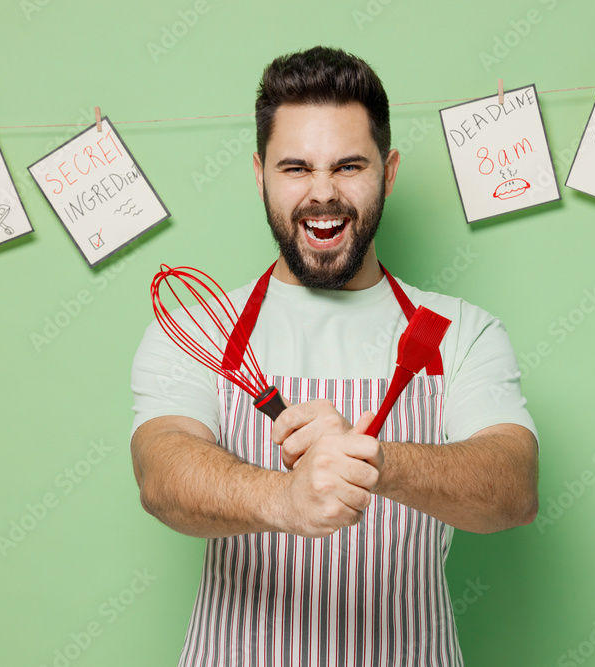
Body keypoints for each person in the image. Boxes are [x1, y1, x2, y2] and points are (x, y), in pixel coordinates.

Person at [130, 45, 539, 666]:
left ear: (389, 172)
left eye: (349, 166)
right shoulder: (199, 329)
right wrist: (283, 499)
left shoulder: (461, 330)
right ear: (260, 173)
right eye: (295, 168)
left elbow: (512, 486)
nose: (323, 193)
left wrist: (376, 461)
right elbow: (162, 477)